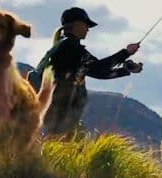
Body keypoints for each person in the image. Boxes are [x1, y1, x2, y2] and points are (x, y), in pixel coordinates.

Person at [38, 7, 144, 136]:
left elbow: (97, 72)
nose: (88, 29)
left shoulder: (64, 45)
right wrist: (126, 53)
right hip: (59, 113)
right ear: (76, 24)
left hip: (57, 112)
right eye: (86, 25)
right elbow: (98, 68)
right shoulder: (70, 47)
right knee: (57, 145)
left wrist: (125, 69)